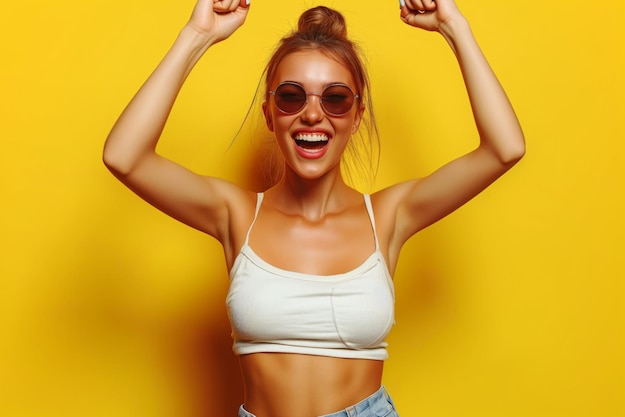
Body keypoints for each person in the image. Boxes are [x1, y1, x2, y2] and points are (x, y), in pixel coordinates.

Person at [103, 0, 525, 415]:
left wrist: (455, 26)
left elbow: (504, 149)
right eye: (291, 96)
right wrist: (197, 36)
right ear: (270, 115)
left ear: (358, 114)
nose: (311, 114)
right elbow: (126, 156)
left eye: (335, 98)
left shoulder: (390, 216)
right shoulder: (235, 214)